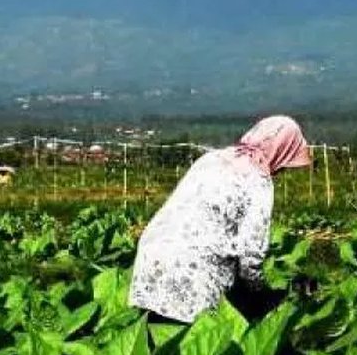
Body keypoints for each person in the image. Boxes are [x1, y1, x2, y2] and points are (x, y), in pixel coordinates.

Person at [128, 115, 312, 324]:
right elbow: (251, 252)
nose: (282, 170)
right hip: (194, 270)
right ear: (281, 151)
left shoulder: (212, 158)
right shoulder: (258, 179)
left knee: (156, 339)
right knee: (194, 342)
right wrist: (260, 294)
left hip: (152, 255)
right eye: (286, 163)